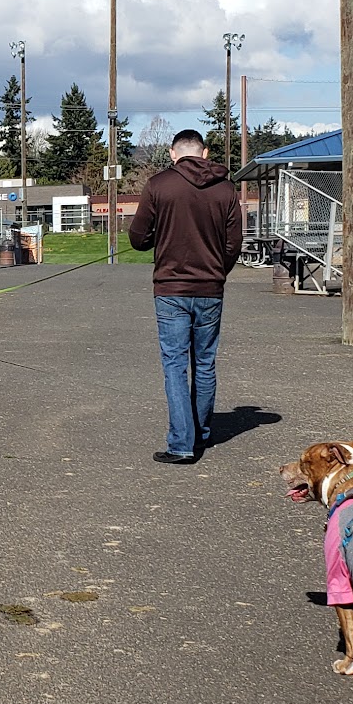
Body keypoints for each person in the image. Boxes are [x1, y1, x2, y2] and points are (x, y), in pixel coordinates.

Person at [127, 126, 243, 464]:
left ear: (173, 154)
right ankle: (201, 435)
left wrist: (156, 238)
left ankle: (181, 442)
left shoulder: (159, 185)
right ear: (204, 153)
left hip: (171, 288)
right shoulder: (226, 189)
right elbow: (233, 243)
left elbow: (137, 237)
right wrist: (218, 271)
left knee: (175, 365)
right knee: (204, 363)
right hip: (210, 288)